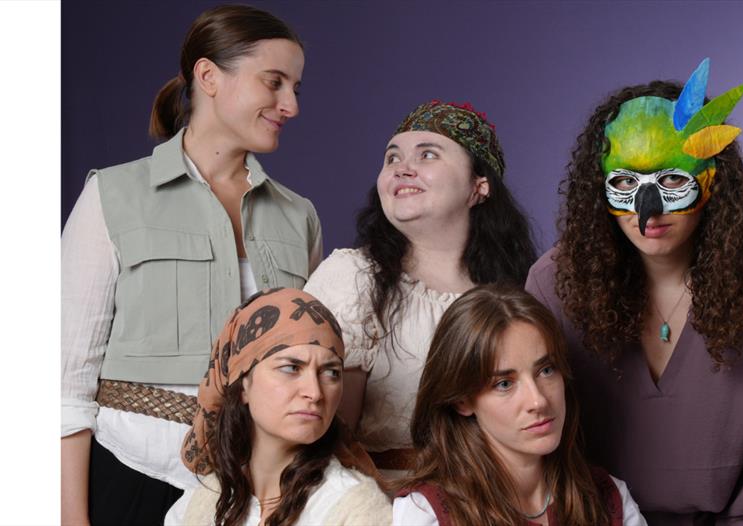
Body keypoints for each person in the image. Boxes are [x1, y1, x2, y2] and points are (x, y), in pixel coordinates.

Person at [61, 6, 322, 524]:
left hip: (255, 493)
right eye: (274, 82)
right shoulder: (112, 195)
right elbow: (64, 380)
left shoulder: (300, 217)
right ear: (208, 77)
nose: (290, 105)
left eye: (295, 88)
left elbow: (307, 364)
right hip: (127, 480)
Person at [525, 59, 743, 525]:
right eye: (624, 183)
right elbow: (530, 439)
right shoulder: (552, 284)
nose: (648, 211)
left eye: (673, 180)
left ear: (712, 182)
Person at [303, 100, 537, 474]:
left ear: (479, 185)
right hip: (382, 497)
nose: (403, 168)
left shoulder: (517, 292)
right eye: (392, 158)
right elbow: (326, 443)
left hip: (496, 496)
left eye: (428, 155)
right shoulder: (353, 277)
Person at [391, 284, 646, 526]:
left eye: (546, 370)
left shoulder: (610, 498)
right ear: (462, 401)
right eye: (504, 384)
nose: (538, 400)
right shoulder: (425, 513)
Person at [164, 288, 390, 525]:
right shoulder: (203, 500)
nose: (315, 393)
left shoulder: (357, 509)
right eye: (291, 368)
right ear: (243, 385)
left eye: (331, 372)